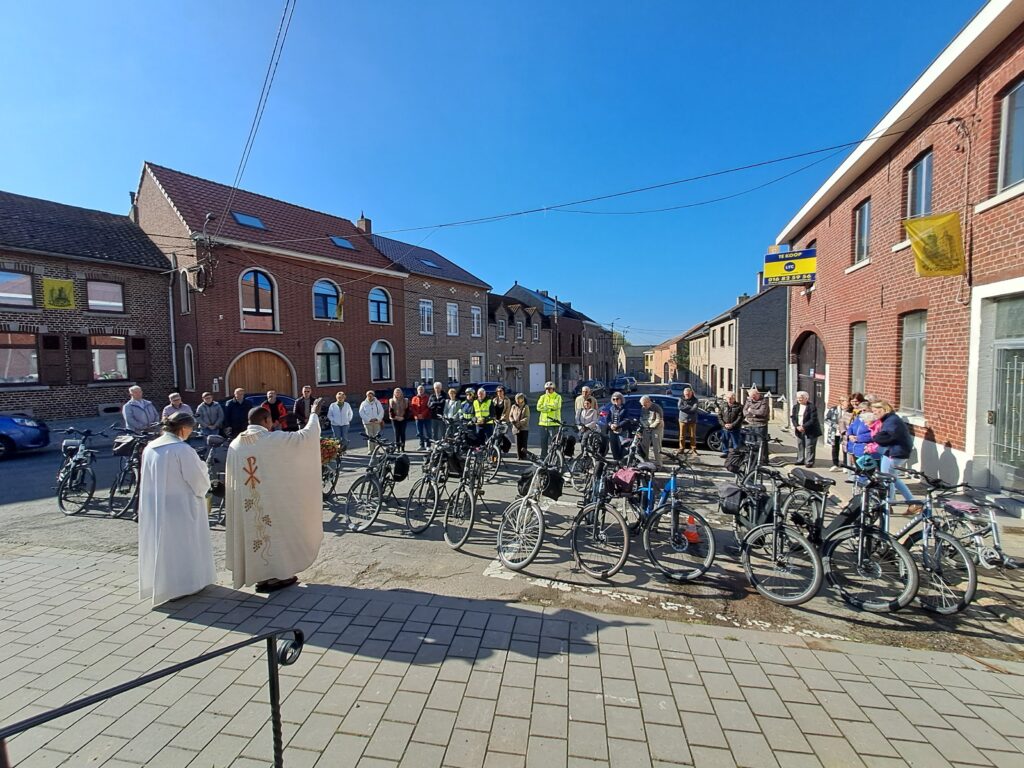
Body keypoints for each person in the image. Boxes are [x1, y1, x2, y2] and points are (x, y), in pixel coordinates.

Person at [225, 401, 324, 593]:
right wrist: (313, 414)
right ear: (266, 420)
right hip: (270, 500)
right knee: (272, 531)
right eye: (270, 420)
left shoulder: (235, 444)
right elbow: (304, 438)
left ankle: (259, 576)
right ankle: (274, 576)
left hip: (247, 503)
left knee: (256, 530)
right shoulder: (270, 440)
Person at [137, 412, 215, 607]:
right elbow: (197, 480)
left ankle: (164, 584)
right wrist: (205, 470)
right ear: (183, 428)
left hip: (156, 504)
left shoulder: (150, 447)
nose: (192, 432)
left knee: (164, 545)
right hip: (181, 506)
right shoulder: (182, 450)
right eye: (191, 429)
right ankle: (185, 585)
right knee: (183, 544)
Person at [870, 400, 916, 504]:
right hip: (893, 451)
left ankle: (891, 501)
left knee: (888, 477)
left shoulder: (892, 420)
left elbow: (887, 436)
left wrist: (875, 437)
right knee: (891, 477)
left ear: (884, 410)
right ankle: (908, 500)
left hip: (895, 452)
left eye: (875, 411)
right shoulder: (890, 419)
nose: (874, 413)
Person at [599, 392, 635, 462]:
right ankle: (616, 460)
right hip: (612, 429)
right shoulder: (611, 408)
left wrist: (618, 425)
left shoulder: (625, 408)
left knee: (623, 445)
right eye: (614, 399)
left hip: (622, 429)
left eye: (617, 399)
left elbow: (626, 419)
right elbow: (608, 418)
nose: (615, 400)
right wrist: (610, 424)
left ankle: (623, 461)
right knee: (614, 445)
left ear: (621, 399)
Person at [791, 391, 822, 468]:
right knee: (800, 444)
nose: (799, 400)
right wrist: (797, 426)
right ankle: (800, 460)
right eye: (798, 398)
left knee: (810, 446)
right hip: (799, 429)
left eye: (801, 399)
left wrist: (804, 426)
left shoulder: (811, 407)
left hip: (810, 430)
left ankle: (809, 461)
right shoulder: (795, 407)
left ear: (806, 398)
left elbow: (813, 419)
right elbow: (793, 417)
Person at [537, 382, 563, 458]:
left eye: (549, 389)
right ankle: (543, 457)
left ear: (553, 389)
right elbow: (538, 407)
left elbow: (556, 407)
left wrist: (545, 407)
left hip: (554, 424)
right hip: (543, 424)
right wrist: (550, 408)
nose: (548, 390)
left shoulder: (557, 397)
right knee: (543, 443)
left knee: (554, 443)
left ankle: (554, 457)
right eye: (546, 389)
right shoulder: (542, 397)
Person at [742, 386, 770, 452]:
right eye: (751, 397)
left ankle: (761, 460)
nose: (752, 398)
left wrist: (751, 410)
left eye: (754, 397)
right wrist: (753, 414)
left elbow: (762, 412)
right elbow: (745, 411)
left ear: (757, 394)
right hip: (750, 424)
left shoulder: (764, 401)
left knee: (760, 443)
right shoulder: (749, 400)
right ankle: (750, 459)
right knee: (750, 442)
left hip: (760, 425)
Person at [640, 395, 664, 469]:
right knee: (644, 445)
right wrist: (645, 426)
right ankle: (645, 461)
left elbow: (658, 420)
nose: (643, 406)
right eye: (642, 405)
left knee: (657, 447)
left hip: (656, 428)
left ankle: (659, 464)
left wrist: (651, 427)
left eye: (644, 404)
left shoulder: (657, 408)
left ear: (648, 401)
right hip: (646, 427)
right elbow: (641, 418)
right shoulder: (643, 408)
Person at [718, 393, 744, 457]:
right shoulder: (723, 405)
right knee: (724, 440)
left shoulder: (739, 406)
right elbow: (719, 416)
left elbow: (740, 417)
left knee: (735, 441)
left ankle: (735, 453)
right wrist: (724, 425)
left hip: (735, 428)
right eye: (728, 398)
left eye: (731, 398)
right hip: (725, 427)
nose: (729, 399)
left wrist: (732, 425)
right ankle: (725, 452)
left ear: (734, 398)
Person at [824, 398, 846, 472]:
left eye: (845, 401)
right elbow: (826, 419)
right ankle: (835, 464)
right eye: (842, 401)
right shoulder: (834, 409)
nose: (844, 403)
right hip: (834, 432)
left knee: (845, 448)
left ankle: (845, 465)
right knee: (835, 448)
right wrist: (835, 425)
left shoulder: (849, 411)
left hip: (845, 432)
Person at [677, 386, 699, 456]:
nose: (687, 395)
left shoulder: (695, 400)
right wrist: (689, 407)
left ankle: (693, 449)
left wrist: (686, 408)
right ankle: (681, 449)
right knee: (682, 436)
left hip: (692, 420)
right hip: (682, 420)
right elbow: (680, 407)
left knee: (693, 436)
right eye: (686, 394)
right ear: (684, 394)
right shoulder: (681, 399)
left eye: (688, 394)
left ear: (691, 393)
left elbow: (694, 409)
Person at [410, 385, 432, 450]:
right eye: (419, 389)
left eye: (422, 389)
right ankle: (421, 445)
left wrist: (422, 414)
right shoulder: (414, 398)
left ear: (424, 390)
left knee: (428, 432)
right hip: (417, 418)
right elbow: (412, 408)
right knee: (419, 432)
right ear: (417, 390)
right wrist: (417, 415)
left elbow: (428, 407)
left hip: (426, 417)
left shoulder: (427, 398)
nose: (420, 390)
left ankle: (428, 445)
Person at [509, 393, 531, 459]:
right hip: (515, 427)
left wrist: (519, 423)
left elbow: (527, 417)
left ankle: (524, 456)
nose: (518, 400)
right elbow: (510, 415)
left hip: (524, 428)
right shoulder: (513, 406)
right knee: (518, 443)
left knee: (523, 442)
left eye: (519, 399)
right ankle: (519, 456)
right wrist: (513, 421)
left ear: (522, 399)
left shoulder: (526, 407)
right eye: (516, 399)